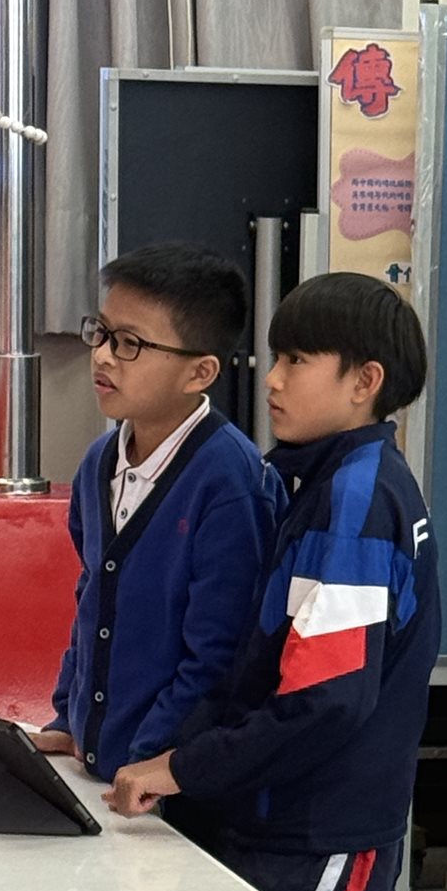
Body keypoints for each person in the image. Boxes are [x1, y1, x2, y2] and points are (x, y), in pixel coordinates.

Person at [104, 273, 440, 891]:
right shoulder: (320, 484)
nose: (273, 380)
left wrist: (185, 767)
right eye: (275, 357)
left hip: (319, 832)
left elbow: (326, 701)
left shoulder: (355, 502)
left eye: (297, 361)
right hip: (277, 822)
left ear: (365, 382)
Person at [35, 244, 280, 781]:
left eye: (130, 344)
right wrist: (69, 717)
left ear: (200, 373)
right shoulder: (98, 461)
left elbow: (216, 658)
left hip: (168, 784)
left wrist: (149, 759)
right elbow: (93, 599)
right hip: (102, 770)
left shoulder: (230, 481)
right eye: (101, 332)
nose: (102, 356)